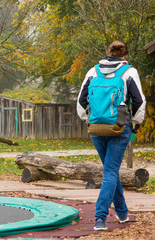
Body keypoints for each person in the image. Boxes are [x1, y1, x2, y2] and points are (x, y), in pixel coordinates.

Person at [77, 40, 146, 231]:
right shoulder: (129, 72)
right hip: (118, 127)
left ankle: (122, 213)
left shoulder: (93, 71)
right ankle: (100, 217)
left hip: (96, 128)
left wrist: (88, 121)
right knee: (110, 171)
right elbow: (139, 102)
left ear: (108, 52)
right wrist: (135, 124)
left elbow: (81, 102)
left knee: (110, 170)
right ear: (125, 55)